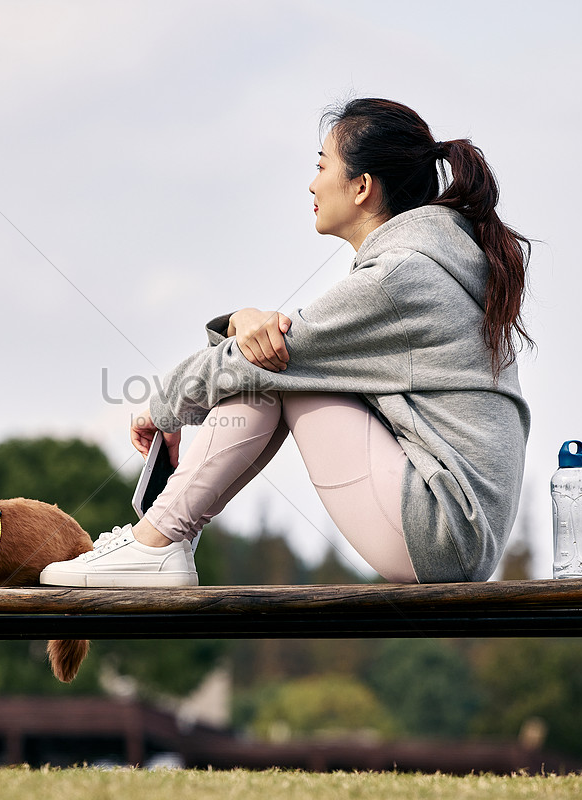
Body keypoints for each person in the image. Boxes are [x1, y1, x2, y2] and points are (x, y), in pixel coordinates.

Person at [40, 98, 531, 588]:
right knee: (274, 359)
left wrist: (163, 408)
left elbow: (272, 355)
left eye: (322, 166)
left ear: (362, 187)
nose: (312, 183)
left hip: (441, 532)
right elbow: (295, 344)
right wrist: (239, 321)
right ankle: (162, 543)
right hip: (454, 526)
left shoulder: (401, 277)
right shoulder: (434, 263)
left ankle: (157, 543)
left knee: (270, 370)